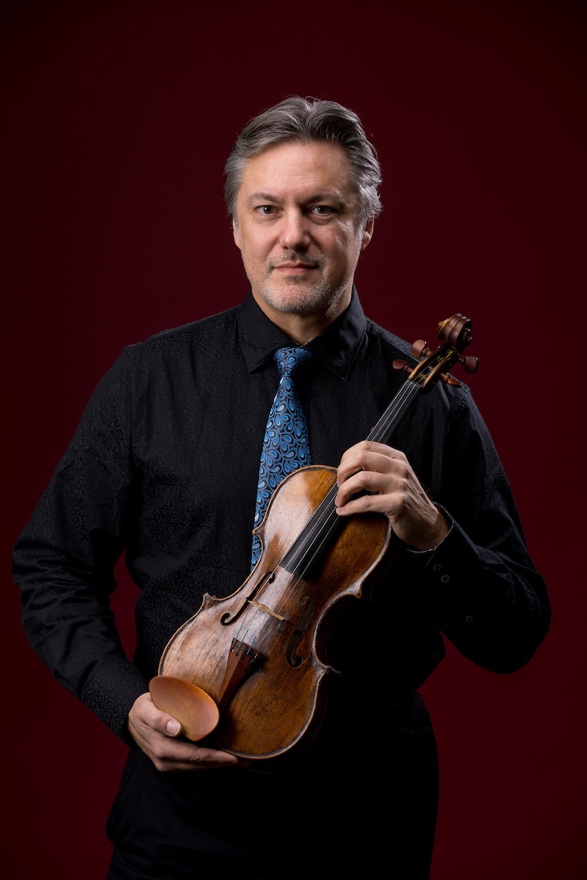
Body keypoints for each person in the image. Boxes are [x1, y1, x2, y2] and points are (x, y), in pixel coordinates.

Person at [12, 95, 550, 879]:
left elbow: (515, 632)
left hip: (366, 820)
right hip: (176, 823)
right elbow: (51, 567)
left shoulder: (434, 404)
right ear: (236, 225)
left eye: (322, 209)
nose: (291, 234)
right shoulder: (148, 381)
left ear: (365, 226)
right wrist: (123, 702)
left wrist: (434, 533)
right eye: (267, 208)